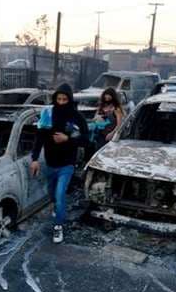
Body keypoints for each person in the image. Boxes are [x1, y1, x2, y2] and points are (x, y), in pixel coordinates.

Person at [30, 83, 88, 244]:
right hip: (50, 163)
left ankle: (58, 226)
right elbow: (39, 138)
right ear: (55, 98)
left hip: (67, 164)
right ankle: (57, 209)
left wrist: (67, 138)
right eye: (59, 99)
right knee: (52, 194)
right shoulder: (48, 113)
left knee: (60, 194)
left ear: (70, 99)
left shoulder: (76, 117)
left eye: (64, 99)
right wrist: (34, 159)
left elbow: (85, 139)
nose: (61, 102)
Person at [92, 88, 125, 152]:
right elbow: (94, 119)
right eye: (106, 94)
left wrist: (112, 133)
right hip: (100, 135)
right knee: (99, 151)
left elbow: (119, 124)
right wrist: (98, 118)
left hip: (111, 135)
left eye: (109, 95)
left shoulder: (116, 108)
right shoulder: (101, 107)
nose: (107, 96)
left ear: (113, 96)